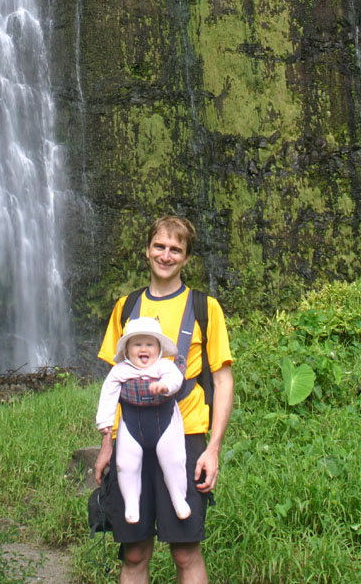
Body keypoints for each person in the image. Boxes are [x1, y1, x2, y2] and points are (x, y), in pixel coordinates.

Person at [94, 215, 234, 584]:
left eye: (176, 249)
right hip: (132, 438)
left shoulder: (206, 308)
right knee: (135, 550)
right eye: (160, 246)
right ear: (147, 250)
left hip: (185, 435)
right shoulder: (126, 307)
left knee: (185, 550)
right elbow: (112, 382)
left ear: (186, 258)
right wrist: (106, 444)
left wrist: (213, 449)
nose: (166, 255)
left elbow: (223, 380)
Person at [95, 316, 191, 524]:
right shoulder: (120, 371)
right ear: (127, 350)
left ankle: (178, 497)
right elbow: (108, 394)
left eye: (149, 344)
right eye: (137, 344)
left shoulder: (164, 367)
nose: (143, 349)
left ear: (159, 348)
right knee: (126, 464)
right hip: (131, 425)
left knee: (174, 461)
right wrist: (105, 423)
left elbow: (176, 379)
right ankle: (131, 502)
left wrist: (165, 386)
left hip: (164, 424)